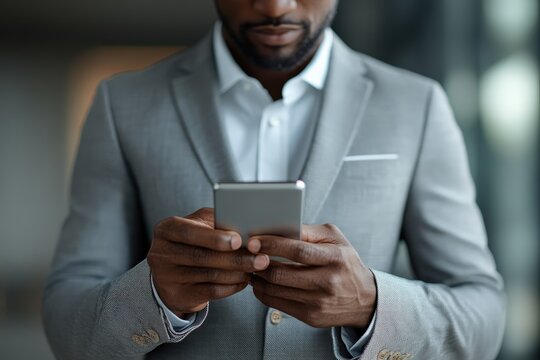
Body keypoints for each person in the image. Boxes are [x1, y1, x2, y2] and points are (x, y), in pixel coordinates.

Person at [42, 1, 506, 359]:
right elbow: (66, 321)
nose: (274, 7)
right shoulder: (122, 104)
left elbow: (483, 316)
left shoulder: (415, 106)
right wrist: (153, 296)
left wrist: (371, 305)